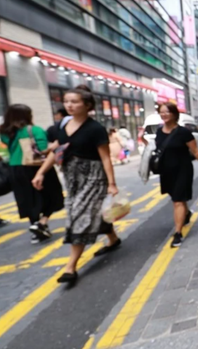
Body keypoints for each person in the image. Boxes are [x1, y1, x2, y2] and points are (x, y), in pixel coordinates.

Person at [32, 86, 122, 284]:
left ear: (87, 105)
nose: (69, 105)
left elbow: (106, 158)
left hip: (93, 179)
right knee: (90, 213)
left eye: (75, 102)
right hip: (72, 180)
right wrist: (40, 172)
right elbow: (57, 153)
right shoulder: (63, 128)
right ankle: (113, 239)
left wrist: (112, 184)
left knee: (79, 217)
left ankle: (70, 267)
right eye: (67, 102)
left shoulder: (95, 129)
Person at [149, 103, 198, 248]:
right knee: (176, 197)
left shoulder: (183, 132)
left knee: (178, 201)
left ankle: (178, 233)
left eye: (167, 112)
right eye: (161, 112)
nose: (164, 115)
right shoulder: (159, 131)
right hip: (166, 171)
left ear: (174, 114)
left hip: (182, 170)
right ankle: (186, 214)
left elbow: (196, 151)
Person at [0, 104, 64, 244]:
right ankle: (42, 221)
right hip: (36, 168)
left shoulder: (4, 133)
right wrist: (53, 146)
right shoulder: (35, 130)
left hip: (15, 169)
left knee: (28, 199)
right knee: (53, 195)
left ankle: (36, 229)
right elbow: (42, 149)